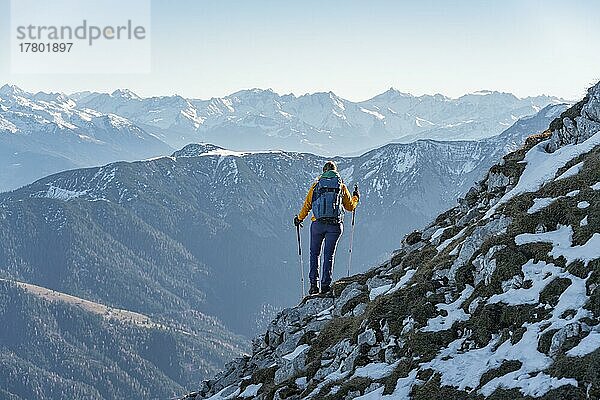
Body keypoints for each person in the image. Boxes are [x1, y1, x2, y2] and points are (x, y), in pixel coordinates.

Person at [294, 161, 359, 295]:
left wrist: (299, 219)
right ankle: (325, 285)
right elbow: (350, 207)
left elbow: (307, 205)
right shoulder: (341, 186)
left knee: (314, 254)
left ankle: (313, 285)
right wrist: (356, 197)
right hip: (335, 226)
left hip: (317, 225)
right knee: (329, 255)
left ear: (324, 172)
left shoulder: (316, 186)